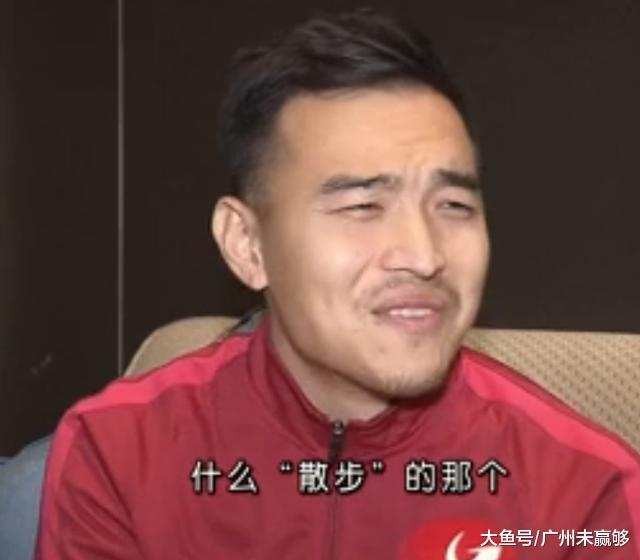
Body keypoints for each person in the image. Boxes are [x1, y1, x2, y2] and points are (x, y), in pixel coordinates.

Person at [35, 9, 640, 559]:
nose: (424, 256)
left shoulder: (586, 494)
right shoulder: (119, 454)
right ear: (247, 245)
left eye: (454, 206)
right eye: (362, 206)